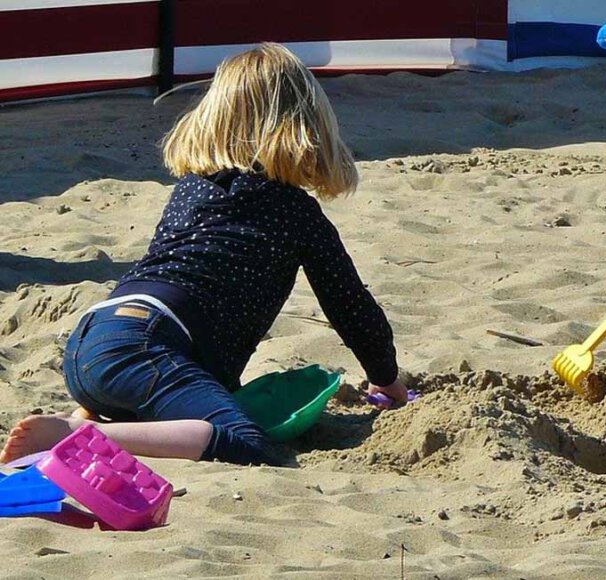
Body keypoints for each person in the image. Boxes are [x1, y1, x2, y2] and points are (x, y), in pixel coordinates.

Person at [0, 43, 405, 466]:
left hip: (91, 340)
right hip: (144, 347)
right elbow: (349, 305)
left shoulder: (191, 189)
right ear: (308, 125)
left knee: (173, 395)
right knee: (245, 441)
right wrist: (386, 378)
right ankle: (81, 433)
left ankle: (97, 413)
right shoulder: (296, 212)